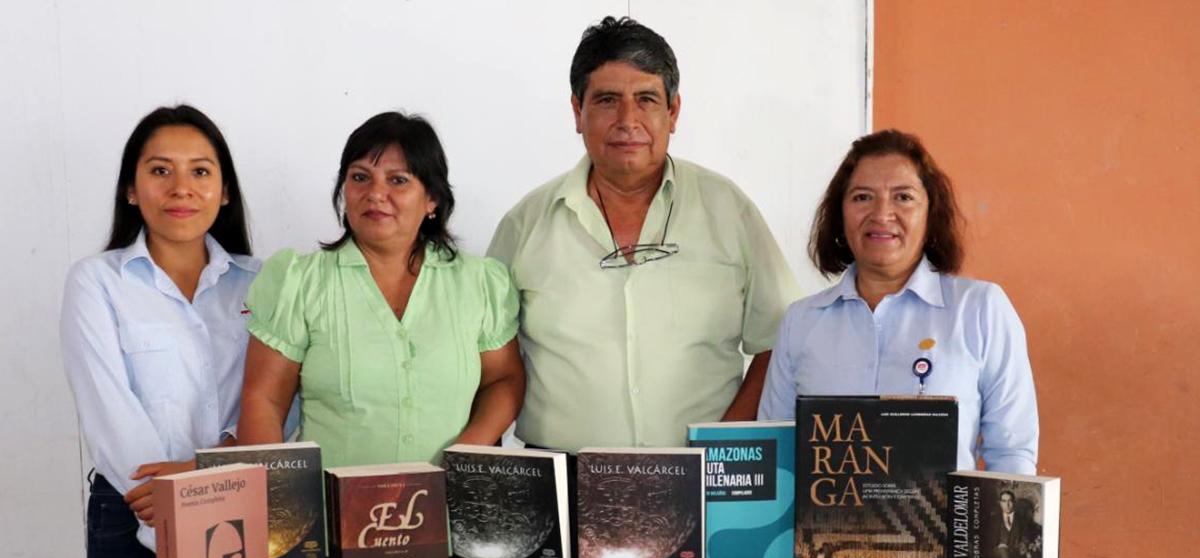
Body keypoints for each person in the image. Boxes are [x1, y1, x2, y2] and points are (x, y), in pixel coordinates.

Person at [488, 16, 799, 450]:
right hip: (563, 482)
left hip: (706, 479)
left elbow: (782, 342)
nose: (627, 119)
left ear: (673, 112)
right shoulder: (525, 225)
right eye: (608, 100)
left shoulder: (728, 211)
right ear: (578, 111)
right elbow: (491, 364)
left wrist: (725, 446)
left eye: (647, 99)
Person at [60, 105, 258, 558]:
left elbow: (281, 399)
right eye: (159, 170)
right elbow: (108, 407)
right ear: (131, 188)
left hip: (246, 517)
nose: (181, 188)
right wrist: (177, 496)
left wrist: (204, 476)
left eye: (200, 171)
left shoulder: (263, 283)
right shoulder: (97, 282)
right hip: (133, 514)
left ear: (224, 192)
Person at [237, 112, 523, 466]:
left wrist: (463, 457)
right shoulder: (299, 282)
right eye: (360, 177)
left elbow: (504, 380)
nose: (375, 194)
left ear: (432, 199)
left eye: (398, 180)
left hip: (450, 510)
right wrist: (278, 504)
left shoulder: (480, 283)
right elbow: (264, 400)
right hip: (333, 512)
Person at [758, 129, 1038, 474]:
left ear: (930, 212)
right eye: (862, 197)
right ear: (840, 213)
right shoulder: (802, 321)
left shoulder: (981, 309)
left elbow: (1012, 455)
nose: (882, 214)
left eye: (903, 197)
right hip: (824, 527)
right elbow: (776, 458)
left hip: (945, 528)